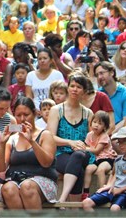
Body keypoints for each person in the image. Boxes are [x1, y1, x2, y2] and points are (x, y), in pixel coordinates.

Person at [0, 97, 57, 210]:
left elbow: (46, 163)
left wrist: (32, 141)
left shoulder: (45, 135)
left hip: (42, 179)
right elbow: (1, 168)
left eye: (26, 114)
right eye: (18, 115)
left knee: (27, 186)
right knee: (8, 188)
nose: (22, 119)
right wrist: (2, 143)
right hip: (15, 179)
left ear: (34, 114)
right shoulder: (12, 138)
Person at [47, 72, 94, 203]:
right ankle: (74, 210)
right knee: (77, 169)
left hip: (83, 153)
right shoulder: (56, 110)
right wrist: (69, 142)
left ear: (84, 91)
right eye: (72, 86)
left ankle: (63, 198)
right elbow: (50, 137)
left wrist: (83, 146)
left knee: (78, 156)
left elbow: (93, 138)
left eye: (78, 87)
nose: (74, 89)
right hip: (61, 153)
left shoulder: (88, 113)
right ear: (68, 88)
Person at [82, 126, 126, 211]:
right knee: (86, 203)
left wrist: (121, 189)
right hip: (113, 190)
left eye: (124, 142)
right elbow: (113, 174)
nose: (121, 145)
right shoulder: (117, 159)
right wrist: (108, 185)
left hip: (125, 192)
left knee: (114, 208)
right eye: (119, 142)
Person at [83, 111, 117, 194]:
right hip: (96, 159)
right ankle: (86, 192)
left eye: (100, 123)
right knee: (88, 169)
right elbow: (86, 145)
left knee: (100, 170)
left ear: (104, 127)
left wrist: (84, 148)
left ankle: (102, 191)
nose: (96, 125)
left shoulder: (104, 136)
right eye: (94, 122)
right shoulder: (89, 135)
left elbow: (96, 150)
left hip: (107, 158)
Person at [95, 61, 126, 126]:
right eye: (97, 75)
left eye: (101, 73)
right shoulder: (98, 94)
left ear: (111, 72)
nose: (99, 77)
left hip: (120, 132)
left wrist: (110, 133)